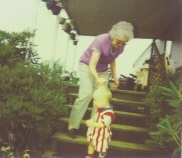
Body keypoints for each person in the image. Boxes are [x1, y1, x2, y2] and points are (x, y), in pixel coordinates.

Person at [68, 21, 134, 138]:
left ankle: (94, 127)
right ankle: (73, 125)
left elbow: (112, 59)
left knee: (101, 98)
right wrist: (97, 79)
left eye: (123, 43)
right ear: (113, 36)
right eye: (118, 42)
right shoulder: (101, 40)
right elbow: (92, 65)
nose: (120, 45)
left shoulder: (120, 46)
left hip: (102, 70)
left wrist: (115, 76)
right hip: (87, 66)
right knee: (87, 94)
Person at [85, 86, 115, 158]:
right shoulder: (100, 108)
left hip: (102, 135)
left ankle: (102, 155)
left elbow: (103, 125)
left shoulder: (109, 113)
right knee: (91, 144)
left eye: (95, 100)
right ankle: (90, 156)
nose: (93, 102)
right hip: (95, 132)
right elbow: (96, 117)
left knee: (101, 147)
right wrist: (92, 120)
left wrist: (93, 124)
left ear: (104, 102)